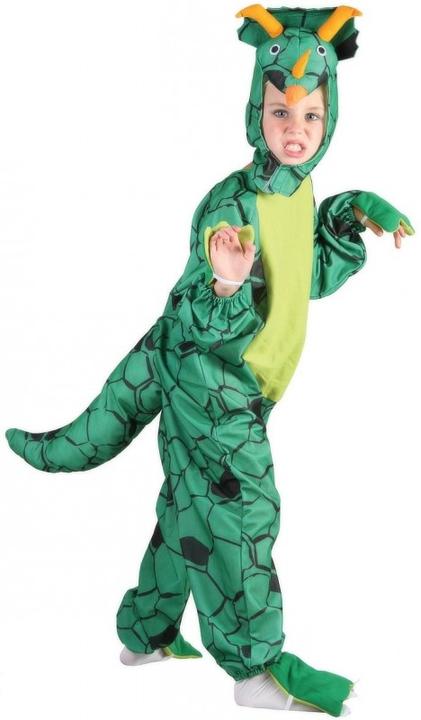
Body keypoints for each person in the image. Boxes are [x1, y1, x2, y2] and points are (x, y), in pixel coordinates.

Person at [5, 5, 415, 717]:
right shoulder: (231, 204)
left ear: (329, 121)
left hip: (245, 388)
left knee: (189, 502)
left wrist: (351, 214)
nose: (294, 129)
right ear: (256, 109)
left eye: (311, 116)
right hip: (208, 378)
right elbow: (197, 309)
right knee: (243, 512)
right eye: (280, 111)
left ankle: (144, 633)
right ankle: (254, 670)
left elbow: (304, 277)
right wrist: (225, 282)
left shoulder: (298, 190)